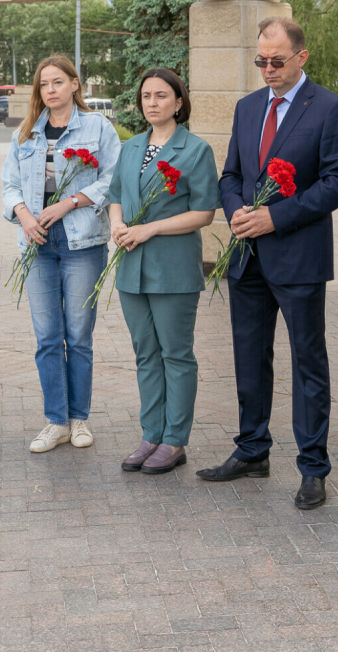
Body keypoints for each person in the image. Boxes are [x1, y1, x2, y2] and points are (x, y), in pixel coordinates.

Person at [197, 17, 338, 510]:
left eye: (277, 61)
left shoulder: (329, 108)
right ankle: (252, 450)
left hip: (298, 257)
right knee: (249, 357)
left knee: (308, 363)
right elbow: (230, 174)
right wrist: (237, 209)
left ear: (301, 58)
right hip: (247, 257)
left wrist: (276, 217)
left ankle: (313, 467)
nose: (267, 69)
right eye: (261, 61)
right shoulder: (247, 108)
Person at [2, 56, 121, 453]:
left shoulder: (97, 127)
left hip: (81, 243)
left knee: (78, 335)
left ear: (74, 84)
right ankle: (55, 421)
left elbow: (111, 180)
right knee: (48, 337)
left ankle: (79, 418)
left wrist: (69, 202)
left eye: (57, 82)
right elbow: (9, 185)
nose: (49, 90)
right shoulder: (26, 133)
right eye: (43, 84)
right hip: (37, 245)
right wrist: (23, 215)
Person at [108, 69, 220, 475]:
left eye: (161, 95)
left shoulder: (195, 149)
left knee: (175, 354)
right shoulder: (132, 146)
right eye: (146, 96)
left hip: (171, 266)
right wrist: (117, 225)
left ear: (178, 102)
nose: (152, 102)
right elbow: (116, 194)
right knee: (145, 355)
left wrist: (150, 227)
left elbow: (205, 212)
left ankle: (174, 440)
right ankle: (150, 434)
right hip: (131, 268)